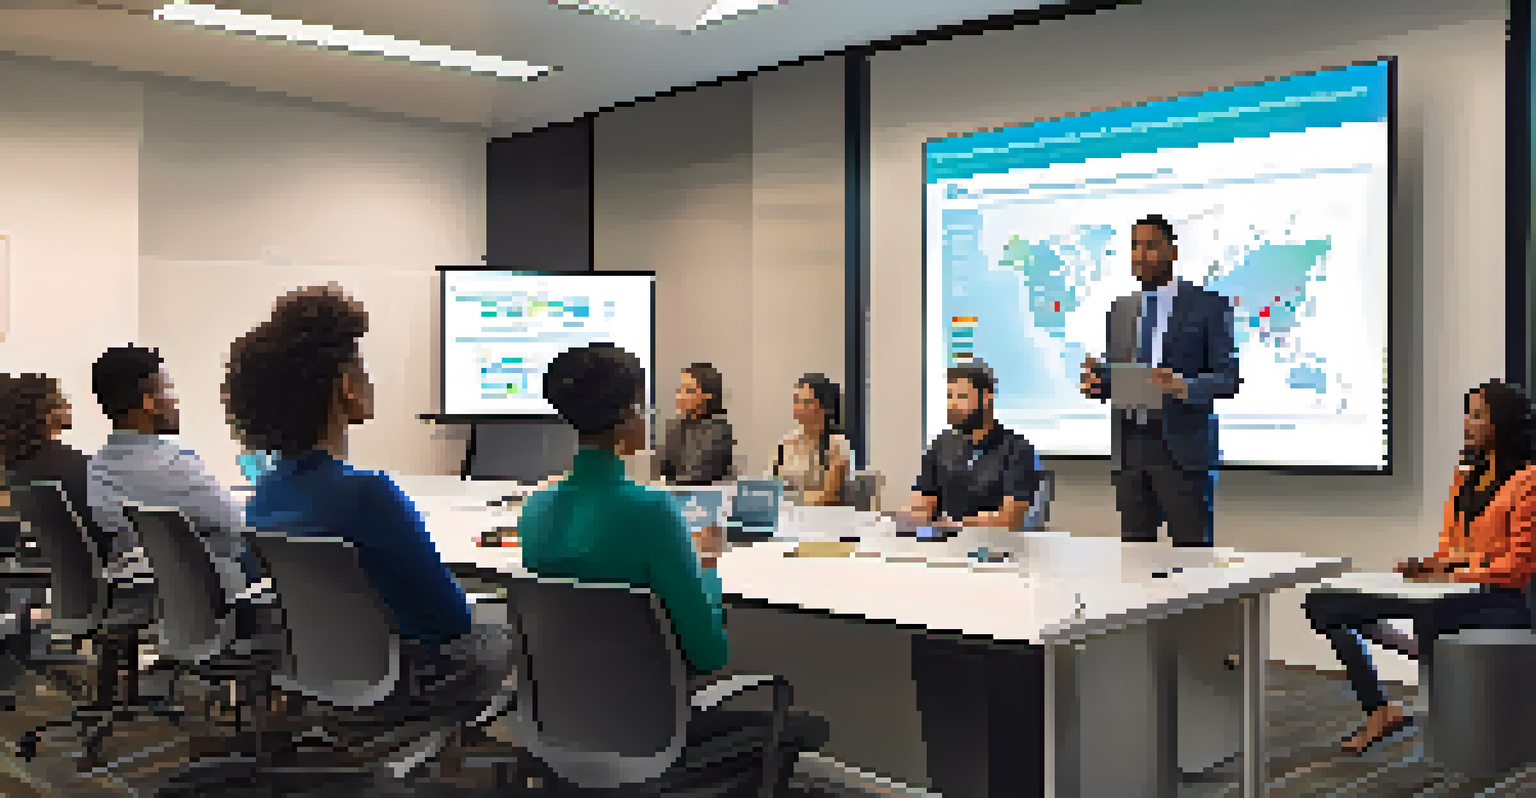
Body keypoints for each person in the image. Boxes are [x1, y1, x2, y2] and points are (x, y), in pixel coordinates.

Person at [519, 344, 829, 781]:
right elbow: (709, 653)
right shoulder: (651, 513)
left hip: (563, 728)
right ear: (629, 416)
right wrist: (705, 565)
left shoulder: (535, 511)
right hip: (650, 731)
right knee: (807, 728)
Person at [1303, 379, 1536, 755]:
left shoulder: (1529, 481)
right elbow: (1450, 544)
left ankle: (1429, 661)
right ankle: (1380, 709)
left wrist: (1456, 569)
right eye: (1468, 414)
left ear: (1502, 424)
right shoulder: (1465, 474)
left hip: (1497, 598)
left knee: (1433, 614)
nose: (1467, 423)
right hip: (1449, 588)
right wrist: (1428, 566)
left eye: (1477, 416)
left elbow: (1516, 566)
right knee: (1324, 604)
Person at [1079, 214, 1240, 546]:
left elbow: (1228, 378)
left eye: (1150, 246)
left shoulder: (1208, 306)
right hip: (1130, 448)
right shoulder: (1120, 311)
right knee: (1135, 560)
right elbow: (1123, 380)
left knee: (1193, 558)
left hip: (1182, 450)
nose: (1140, 255)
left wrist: (1184, 386)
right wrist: (1099, 385)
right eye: (1135, 247)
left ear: (1172, 251)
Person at [88, 345, 261, 600]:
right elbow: (243, 526)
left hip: (142, 590)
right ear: (149, 402)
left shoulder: (98, 467)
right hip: (211, 593)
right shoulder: (176, 464)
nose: (175, 400)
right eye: (168, 389)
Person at [905, 361, 1040, 531]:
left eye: (961, 397)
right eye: (949, 396)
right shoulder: (941, 446)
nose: (952, 405)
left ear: (986, 397)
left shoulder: (1018, 450)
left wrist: (954, 524)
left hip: (996, 550)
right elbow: (923, 508)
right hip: (945, 548)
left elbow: (1008, 521)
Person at [0, 374, 110, 558]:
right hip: (92, 576)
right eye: (61, 400)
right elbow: (107, 537)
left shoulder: (10, 471)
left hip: (24, 577)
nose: (68, 406)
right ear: (46, 413)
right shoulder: (81, 467)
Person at [773, 374, 853, 506]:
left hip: (820, 519)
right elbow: (771, 484)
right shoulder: (788, 441)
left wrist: (788, 499)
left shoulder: (837, 445)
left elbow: (827, 497)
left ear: (823, 408)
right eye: (796, 400)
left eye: (805, 402)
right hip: (789, 516)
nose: (797, 408)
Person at [654, 363, 736, 485]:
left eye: (688, 390)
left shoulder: (719, 431)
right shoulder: (675, 428)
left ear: (707, 396)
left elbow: (697, 478)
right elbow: (661, 469)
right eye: (680, 390)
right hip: (674, 496)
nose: (679, 396)